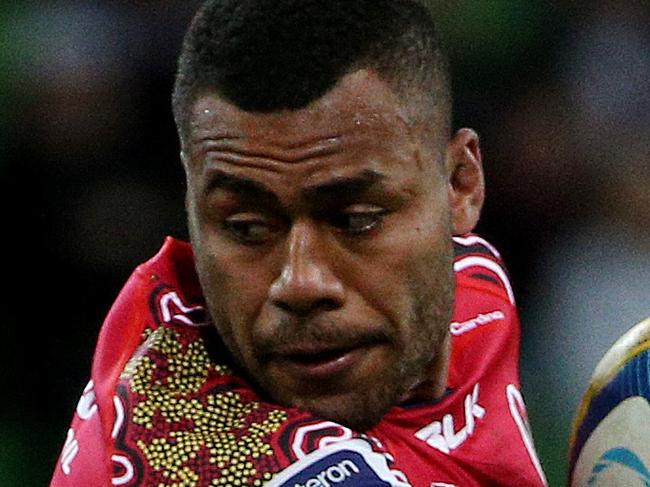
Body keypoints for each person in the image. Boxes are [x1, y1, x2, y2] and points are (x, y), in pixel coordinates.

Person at [51, 1, 547, 485]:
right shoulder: (181, 454)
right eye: (246, 228)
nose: (301, 283)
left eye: (356, 220)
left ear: (460, 186)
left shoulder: (473, 289)